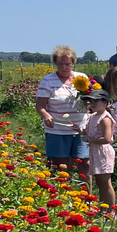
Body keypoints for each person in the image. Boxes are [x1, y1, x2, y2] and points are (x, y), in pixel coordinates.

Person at [35, 45, 89, 183]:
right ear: (55, 64)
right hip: (58, 129)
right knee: (61, 166)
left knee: (85, 164)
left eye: (67, 64)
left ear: (73, 63)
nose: (64, 67)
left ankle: (88, 199)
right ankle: (63, 196)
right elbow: (40, 105)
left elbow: (90, 98)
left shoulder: (82, 78)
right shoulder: (48, 80)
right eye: (60, 64)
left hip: (81, 129)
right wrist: (46, 115)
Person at [80, 89, 117, 214]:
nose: (93, 103)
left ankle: (111, 210)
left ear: (105, 103)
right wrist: (81, 131)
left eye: (96, 101)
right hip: (96, 151)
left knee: (105, 182)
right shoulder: (93, 116)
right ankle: (103, 209)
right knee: (100, 182)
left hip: (103, 152)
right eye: (91, 101)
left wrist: (89, 139)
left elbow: (106, 138)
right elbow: (91, 132)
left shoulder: (105, 118)